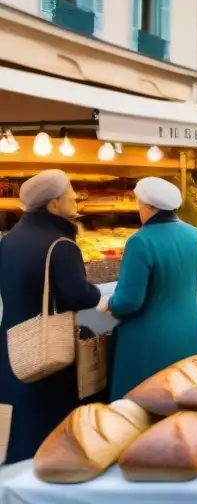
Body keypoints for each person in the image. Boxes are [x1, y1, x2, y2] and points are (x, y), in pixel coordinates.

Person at [0, 171, 101, 463]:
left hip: (13, 338)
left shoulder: (9, 239)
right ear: (53, 205)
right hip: (50, 340)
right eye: (69, 193)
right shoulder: (61, 244)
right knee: (50, 418)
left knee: (22, 414)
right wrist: (97, 295)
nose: (75, 197)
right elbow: (79, 298)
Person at [103, 177, 197, 400]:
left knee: (144, 409)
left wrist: (107, 304)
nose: (138, 209)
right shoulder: (196, 235)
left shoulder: (139, 241)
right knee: (188, 400)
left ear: (149, 207)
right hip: (191, 330)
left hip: (150, 340)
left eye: (139, 203)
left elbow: (129, 301)